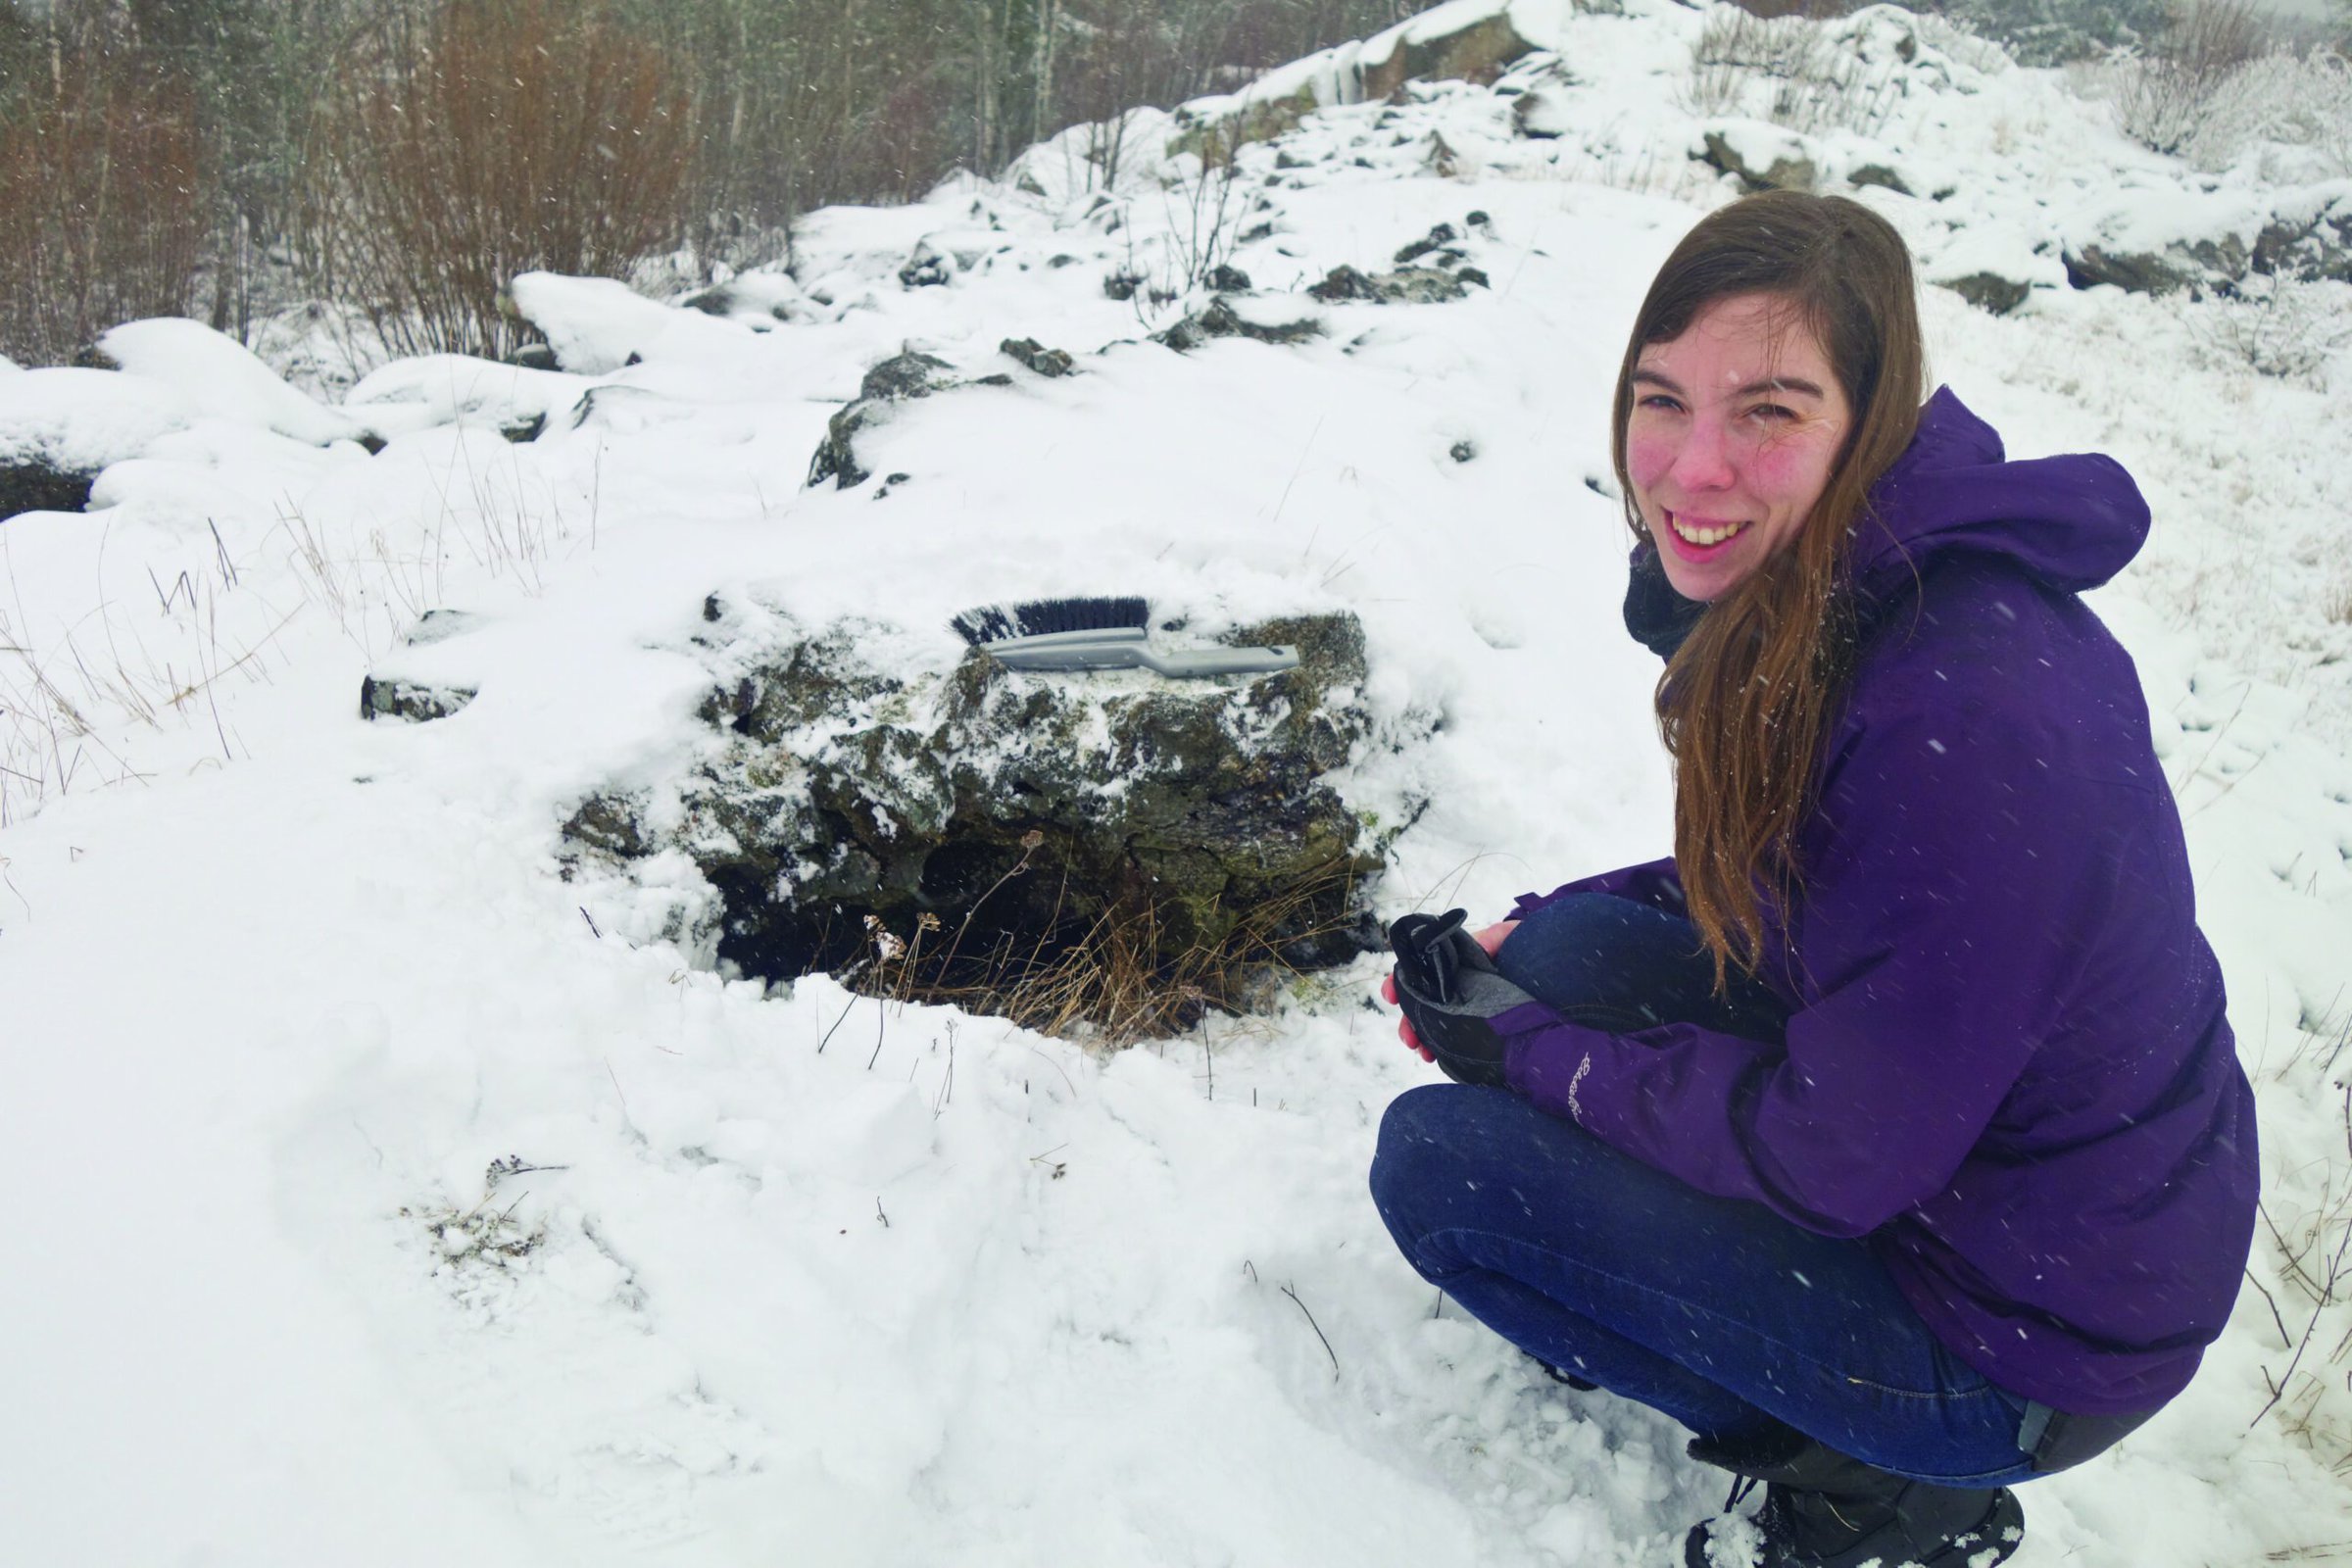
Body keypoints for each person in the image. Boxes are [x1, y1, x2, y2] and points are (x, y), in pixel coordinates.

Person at [1369, 190, 2259, 1568]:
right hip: (1985, 1178)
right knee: (1570, 959)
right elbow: (1816, 869)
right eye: (1663, 400)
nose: (1692, 468)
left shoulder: (1967, 716)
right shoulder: (1872, 582)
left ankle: (1882, 1490)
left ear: (1870, 415)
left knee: (1442, 1174)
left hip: (2028, 1331)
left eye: (1769, 411)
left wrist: (1536, 1061)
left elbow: (1833, 1157)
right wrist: (1531, 944)